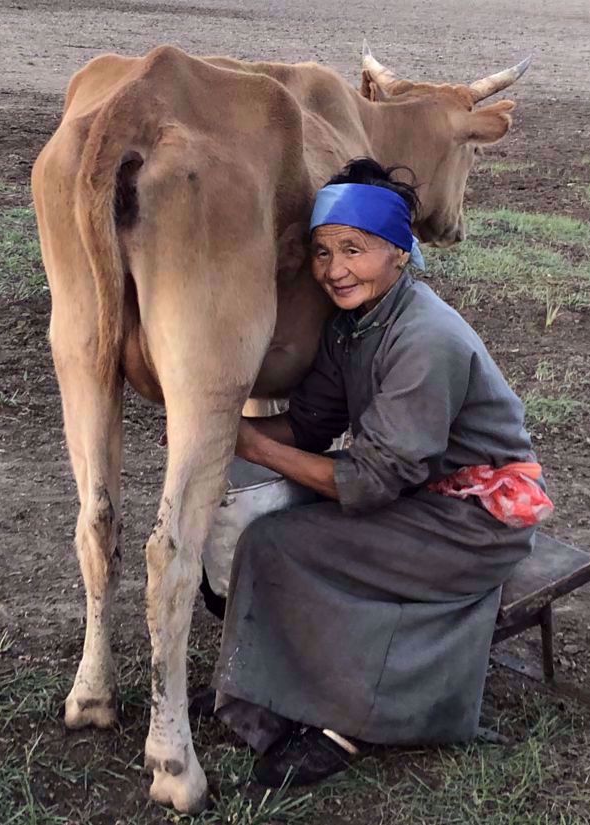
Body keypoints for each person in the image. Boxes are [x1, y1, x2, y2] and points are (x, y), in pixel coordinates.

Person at [209, 158, 554, 789]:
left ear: (398, 251)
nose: (334, 270)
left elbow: (369, 481)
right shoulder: (353, 327)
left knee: (277, 542)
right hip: (417, 495)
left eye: (353, 249)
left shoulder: (425, 340)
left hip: (472, 524)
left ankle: (344, 723)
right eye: (322, 252)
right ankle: (280, 687)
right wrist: (217, 431)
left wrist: (254, 447)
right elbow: (308, 425)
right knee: (256, 517)